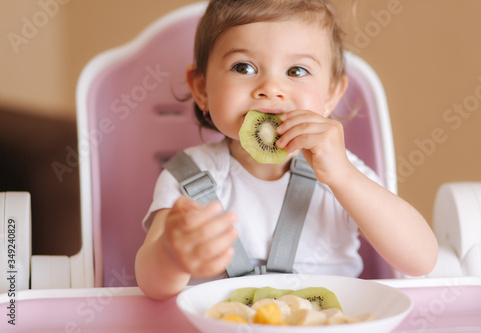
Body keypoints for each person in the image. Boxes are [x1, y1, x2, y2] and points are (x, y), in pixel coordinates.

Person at [135, 0, 438, 300]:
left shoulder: (344, 172)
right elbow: (151, 283)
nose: (271, 87)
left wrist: (344, 177)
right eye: (244, 67)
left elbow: (420, 260)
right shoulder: (188, 175)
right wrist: (171, 257)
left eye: (296, 71)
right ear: (201, 89)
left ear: (331, 94)